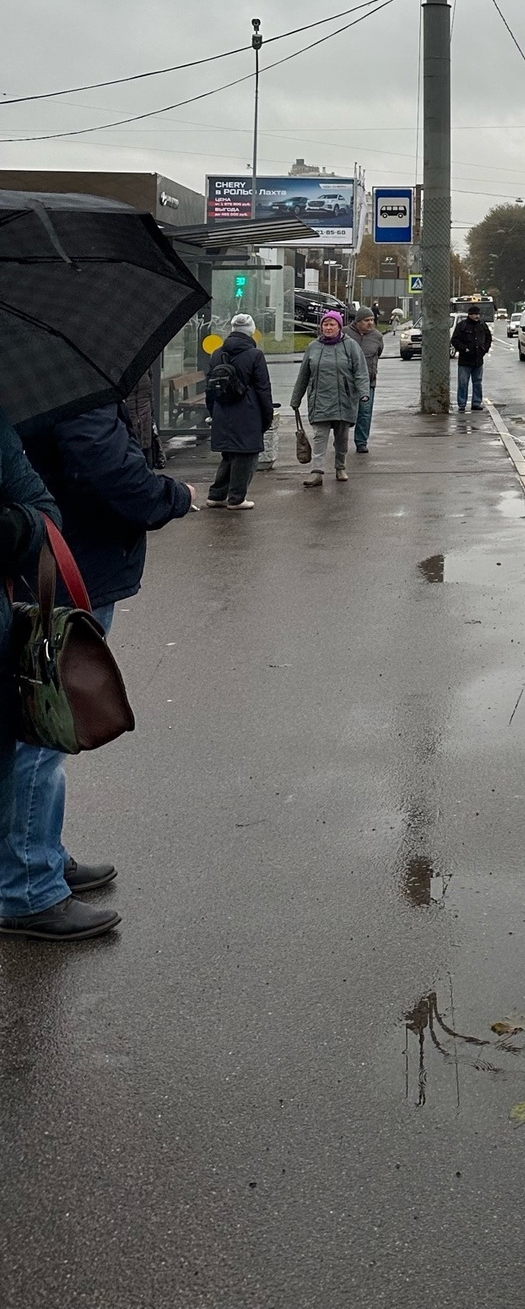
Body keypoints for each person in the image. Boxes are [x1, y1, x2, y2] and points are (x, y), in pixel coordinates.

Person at [5, 399, 196, 944]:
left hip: (54, 562)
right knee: (43, 732)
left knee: (38, 730)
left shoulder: (42, 374)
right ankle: (26, 887)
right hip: (66, 567)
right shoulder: (70, 387)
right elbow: (105, 462)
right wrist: (173, 496)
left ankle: (39, 854)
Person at [291, 309, 368, 485]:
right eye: (325, 324)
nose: (328, 327)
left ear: (339, 327)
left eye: (332, 324)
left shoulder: (350, 346)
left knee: (342, 439)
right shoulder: (313, 347)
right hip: (320, 399)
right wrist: (296, 399)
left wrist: (364, 393)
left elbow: (360, 372)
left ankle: (340, 467)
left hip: (344, 399)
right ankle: (317, 472)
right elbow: (303, 375)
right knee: (319, 436)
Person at [204, 314, 274, 508]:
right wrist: (266, 417)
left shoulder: (217, 353)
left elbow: (209, 388)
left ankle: (216, 495)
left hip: (222, 410)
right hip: (247, 412)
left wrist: (213, 412)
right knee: (246, 455)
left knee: (228, 454)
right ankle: (237, 498)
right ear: (251, 331)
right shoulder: (255, 355)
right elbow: (263, 389)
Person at [345, 311, 384, 454]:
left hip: (368, 381)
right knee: (345, 412)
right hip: (347, 381)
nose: (370, 323)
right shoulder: (345, 334)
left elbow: (378, 353)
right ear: (358, 321)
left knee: (365, 412)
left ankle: (361, 442)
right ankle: (340, 440)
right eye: (366, 320)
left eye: (372, 320)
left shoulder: (377, 337)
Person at [451, 304, 493, 411]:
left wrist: (484, 349)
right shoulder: (462, 326)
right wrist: (464, 349)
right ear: (469, 315)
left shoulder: (482, 325)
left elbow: (488, 338)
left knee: (477, 382)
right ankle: (461, 404)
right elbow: (455, 340)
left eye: (477, 314)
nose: (476, 316)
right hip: (465, 360)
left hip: (478, 360)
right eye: (474, 314)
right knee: (463, 383)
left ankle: (476, 403)